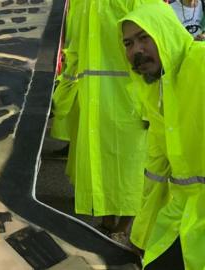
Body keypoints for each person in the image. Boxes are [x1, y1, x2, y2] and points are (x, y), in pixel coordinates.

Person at [50, 0, 159, 242]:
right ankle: (107, 224)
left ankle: (125, 229)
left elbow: (157, 43)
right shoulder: (81, 3)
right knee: (102, 164)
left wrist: (152, 103)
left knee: (132, 167)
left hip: (131, 99)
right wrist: (62, 94)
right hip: (94, 101)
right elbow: (75, 50)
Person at [120, 2, 205, 268]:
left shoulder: (200, 62)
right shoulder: (155, 92)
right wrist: (140, 237)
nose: (136, 50)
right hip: (184, 212)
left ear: (166, 31)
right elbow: (156, 171)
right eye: (128, 44)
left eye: (144, 37)